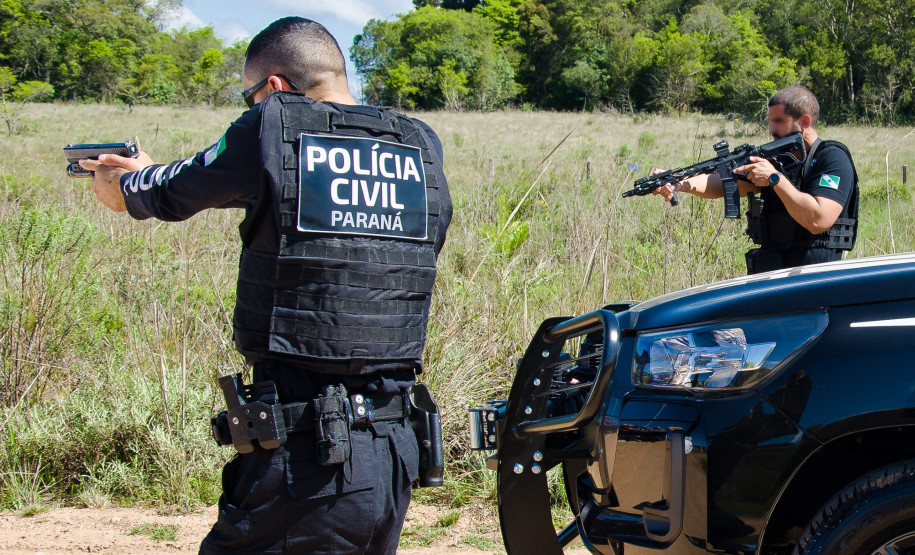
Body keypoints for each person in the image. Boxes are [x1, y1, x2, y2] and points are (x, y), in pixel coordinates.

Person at [81, 17, 452, 554]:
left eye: (250, 96)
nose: (252, 108)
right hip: (395, 448)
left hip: (308, 454)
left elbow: (171, 192)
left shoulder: (274, 124)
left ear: (275, 86)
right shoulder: (418, 144)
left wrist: (127, 184)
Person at [653, 85, 858, 274]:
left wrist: (775, 179)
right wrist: (680, 183)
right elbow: (722, 183)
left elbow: (819, 219)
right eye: (770, 121)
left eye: (779, 122)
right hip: (773, 270)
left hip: (815, 276)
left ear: (804, 121)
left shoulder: (832, 157)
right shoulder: (777, 157)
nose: (771, 130)